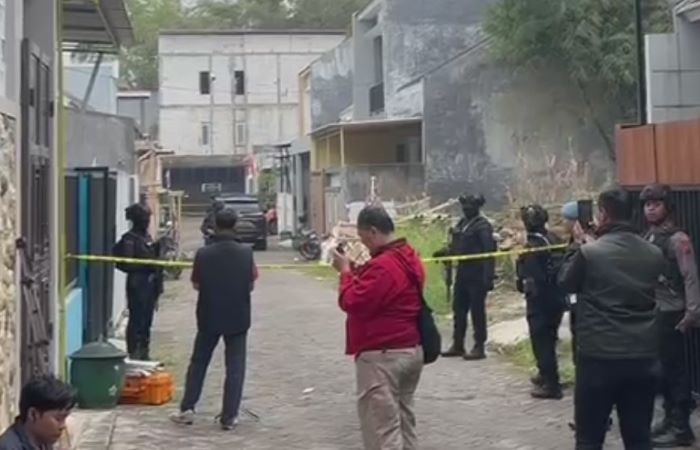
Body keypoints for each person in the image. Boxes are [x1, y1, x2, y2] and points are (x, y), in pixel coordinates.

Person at [558, 188, 664, 450]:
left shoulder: (590, 253)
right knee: (639, 437)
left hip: (599, 355)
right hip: (642, 355)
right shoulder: (653, 252)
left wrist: (578, 246)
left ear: (603, 214)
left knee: (589, 438)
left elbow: (566, 283)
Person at [332, 206, 424, 450]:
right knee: (404, 424)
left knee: (382, 430)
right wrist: (356, 271)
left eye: (364, 239)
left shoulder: (384, 266)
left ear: (373, 231)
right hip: (409, 349)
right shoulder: (408, 256)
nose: (365, 245)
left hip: (383, 355)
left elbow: (352, 302)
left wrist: (345, 273)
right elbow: (382, 290)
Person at [170, 207, 258, 431]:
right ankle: (229, 416)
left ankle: (187, 409)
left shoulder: (203, 254)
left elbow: (196, 284)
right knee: (235, 366)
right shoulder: (246, 253)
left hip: (209, 315)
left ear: (215, 226)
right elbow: (251, 284)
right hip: (238, 316)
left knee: (199, 362)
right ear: (235, 225)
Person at [640, 184, 699, 448]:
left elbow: (690, 276)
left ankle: (682, 427)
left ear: (668, 207)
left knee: (675, 371)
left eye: (656, 204)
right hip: (655, 311)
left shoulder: (678, 239)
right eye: (647, 204)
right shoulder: (649, 236)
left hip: (673, 312)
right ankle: (669, 416)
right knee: (661, 371)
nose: (651, 209)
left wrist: (692, 311)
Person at [435, 194, 496, 360]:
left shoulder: (482, 226)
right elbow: (456, 246)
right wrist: (445, 253)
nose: (466, 209)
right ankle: (458, 344)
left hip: (478, 273)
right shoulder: (462, 223)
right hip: (462, 272)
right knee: (459, 309)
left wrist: (488, 276)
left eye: (469, 207)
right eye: (464, 207)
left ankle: (479, 346)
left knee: (477, 311)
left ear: (477, 208)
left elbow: (489, 252)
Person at [516, 204, 566, 399]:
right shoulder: (553, 238)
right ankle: (545, 373)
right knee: (550, 337)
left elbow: (533, 278)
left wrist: (522, 281)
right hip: (557, 296)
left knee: (541, 340)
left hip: (540, 299)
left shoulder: (533, 246)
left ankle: (551, 384)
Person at [113, 203, 163, 361]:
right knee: (137, 320)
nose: (147, 222)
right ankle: (134, 351)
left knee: (147, 320)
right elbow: (126, 264)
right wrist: (147, 264)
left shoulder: (146, 237)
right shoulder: (130, 239)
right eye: (144, 218)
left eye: (147, 218)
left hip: (150, 284)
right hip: (138, 284)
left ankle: (144, 352)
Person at [0, 375, 77, 450]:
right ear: (33, 414)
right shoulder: (8, 446)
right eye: (58, 418)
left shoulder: (43, 440)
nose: (63, 426)